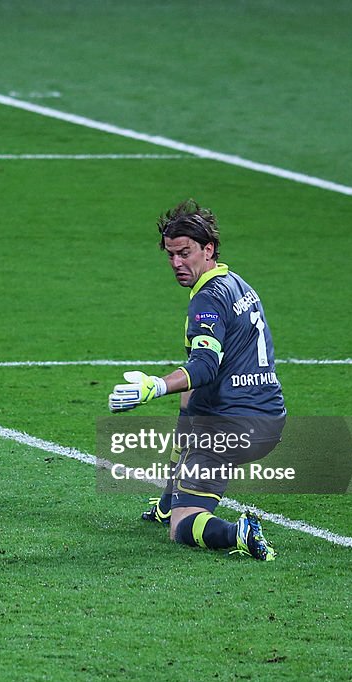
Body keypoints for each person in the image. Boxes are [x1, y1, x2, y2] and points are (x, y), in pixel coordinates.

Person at [108, 199, 285, 560]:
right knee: (190, 403)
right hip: (269, 421)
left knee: (183, 526)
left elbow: (204, 367)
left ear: (208, 249)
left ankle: (238, 533)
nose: (176, 263)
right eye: (171, 255)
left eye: (184, 253)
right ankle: (169, 500)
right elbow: (196, 387)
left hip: (230, 427)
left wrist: (154, 386)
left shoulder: (207, 298)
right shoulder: (237, 284)